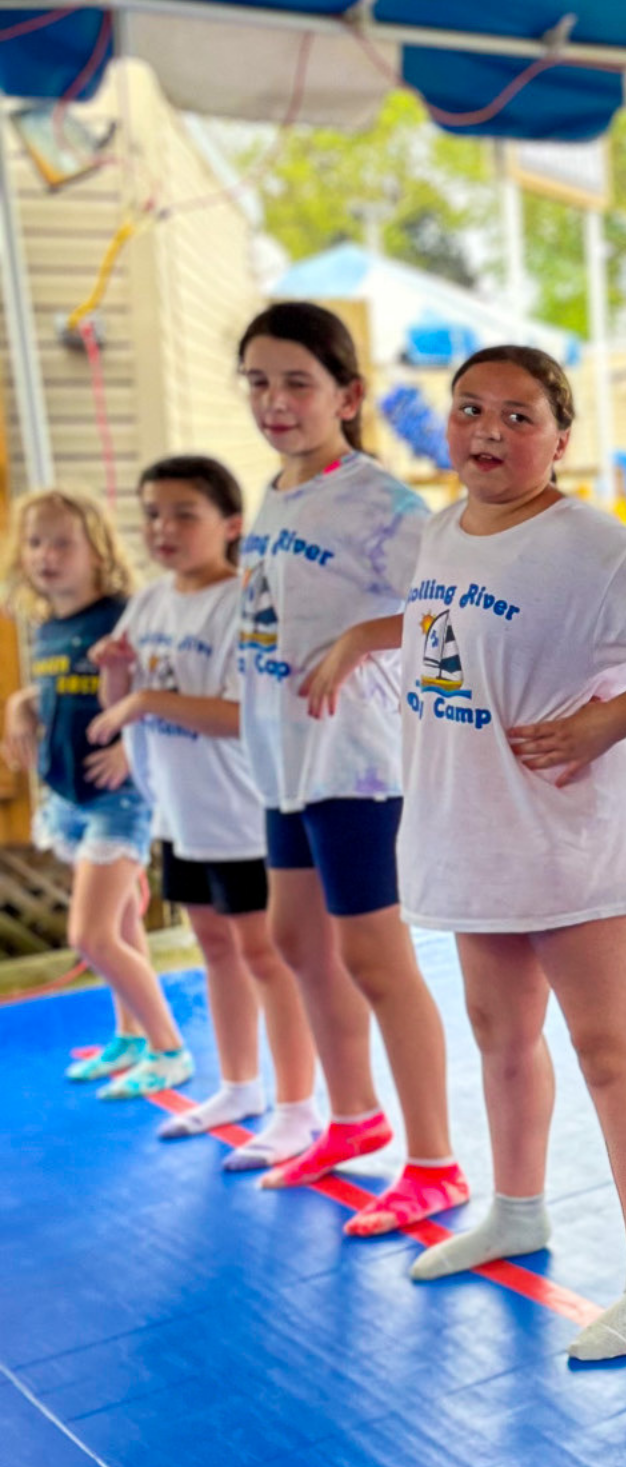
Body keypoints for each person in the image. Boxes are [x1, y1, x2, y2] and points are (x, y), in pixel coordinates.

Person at [317, 345, 626, 1357]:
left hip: (569, 838)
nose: (488, 431)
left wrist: (608, 722)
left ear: (560, 438)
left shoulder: (594, 546)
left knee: (607, 1050)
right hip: (469, 830)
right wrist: (361, 640)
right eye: (469, 409)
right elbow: (440, 631)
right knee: (500, 1035)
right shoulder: (442, 529)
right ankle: (517, 1210)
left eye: (518, 415)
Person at [235, 301, 464, 1234]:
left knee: (375, 957)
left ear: (347, 394)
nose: (276, 401)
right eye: (259, 382)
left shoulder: (381, 502)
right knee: (295, 941)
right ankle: (353, 1115)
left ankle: (436, 1162)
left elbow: (453, 605)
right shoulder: (276, 492)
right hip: (286, 757)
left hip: (359, 763)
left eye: (298, 382)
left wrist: (364, 637)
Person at [85, 458, 317, 1154]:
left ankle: (298, 1106)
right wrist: (117, 676)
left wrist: (144, 698)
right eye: (153, 514)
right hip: (179, 811)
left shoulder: (243, 601)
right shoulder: (151, 600)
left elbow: (240, 715)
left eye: (185, 514)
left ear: (231, 524)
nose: (164, 528)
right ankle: (240, 1084)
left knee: (265, 956)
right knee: (215, 949)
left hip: (239, 812)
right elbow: (118, 705)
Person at [3, 489, 190, 1097]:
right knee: (123, 925)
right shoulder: (48, 627)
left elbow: (162, 686)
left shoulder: (121, 617)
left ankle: (169, 1047)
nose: (46, 556)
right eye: (36, 543)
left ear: (98, 552)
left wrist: (131, 748)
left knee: (91, 936)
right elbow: (62, 693)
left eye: (63, 543)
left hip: (119, 797)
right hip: (69, 796)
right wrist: (21, 704)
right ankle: (130, 1036)